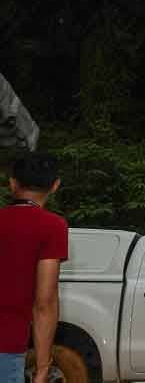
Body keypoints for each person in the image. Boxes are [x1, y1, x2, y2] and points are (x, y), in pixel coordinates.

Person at [1, 152, 69, 383]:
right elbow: (44, 303)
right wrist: (42, 367)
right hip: (6, 344)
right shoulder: (51, 227)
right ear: (55, 185)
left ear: (12, 183)